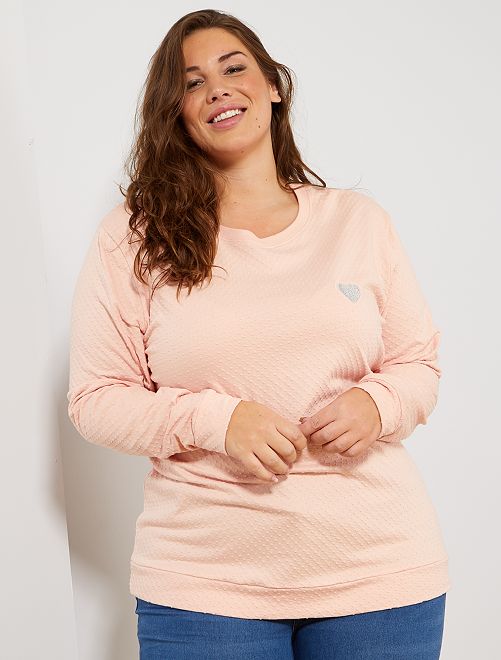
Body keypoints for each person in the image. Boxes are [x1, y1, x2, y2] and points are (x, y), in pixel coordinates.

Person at [66, 8, 450, 659]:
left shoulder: (358, 222)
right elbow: (95, 399)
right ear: (175, 113)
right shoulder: (134, 237)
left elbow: (419, 366)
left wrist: (378, 402)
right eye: (191, 83)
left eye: (233, 68)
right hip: (204, 583)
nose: (216, 89)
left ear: (272, 85)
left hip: (379, 569)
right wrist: (218, 420)